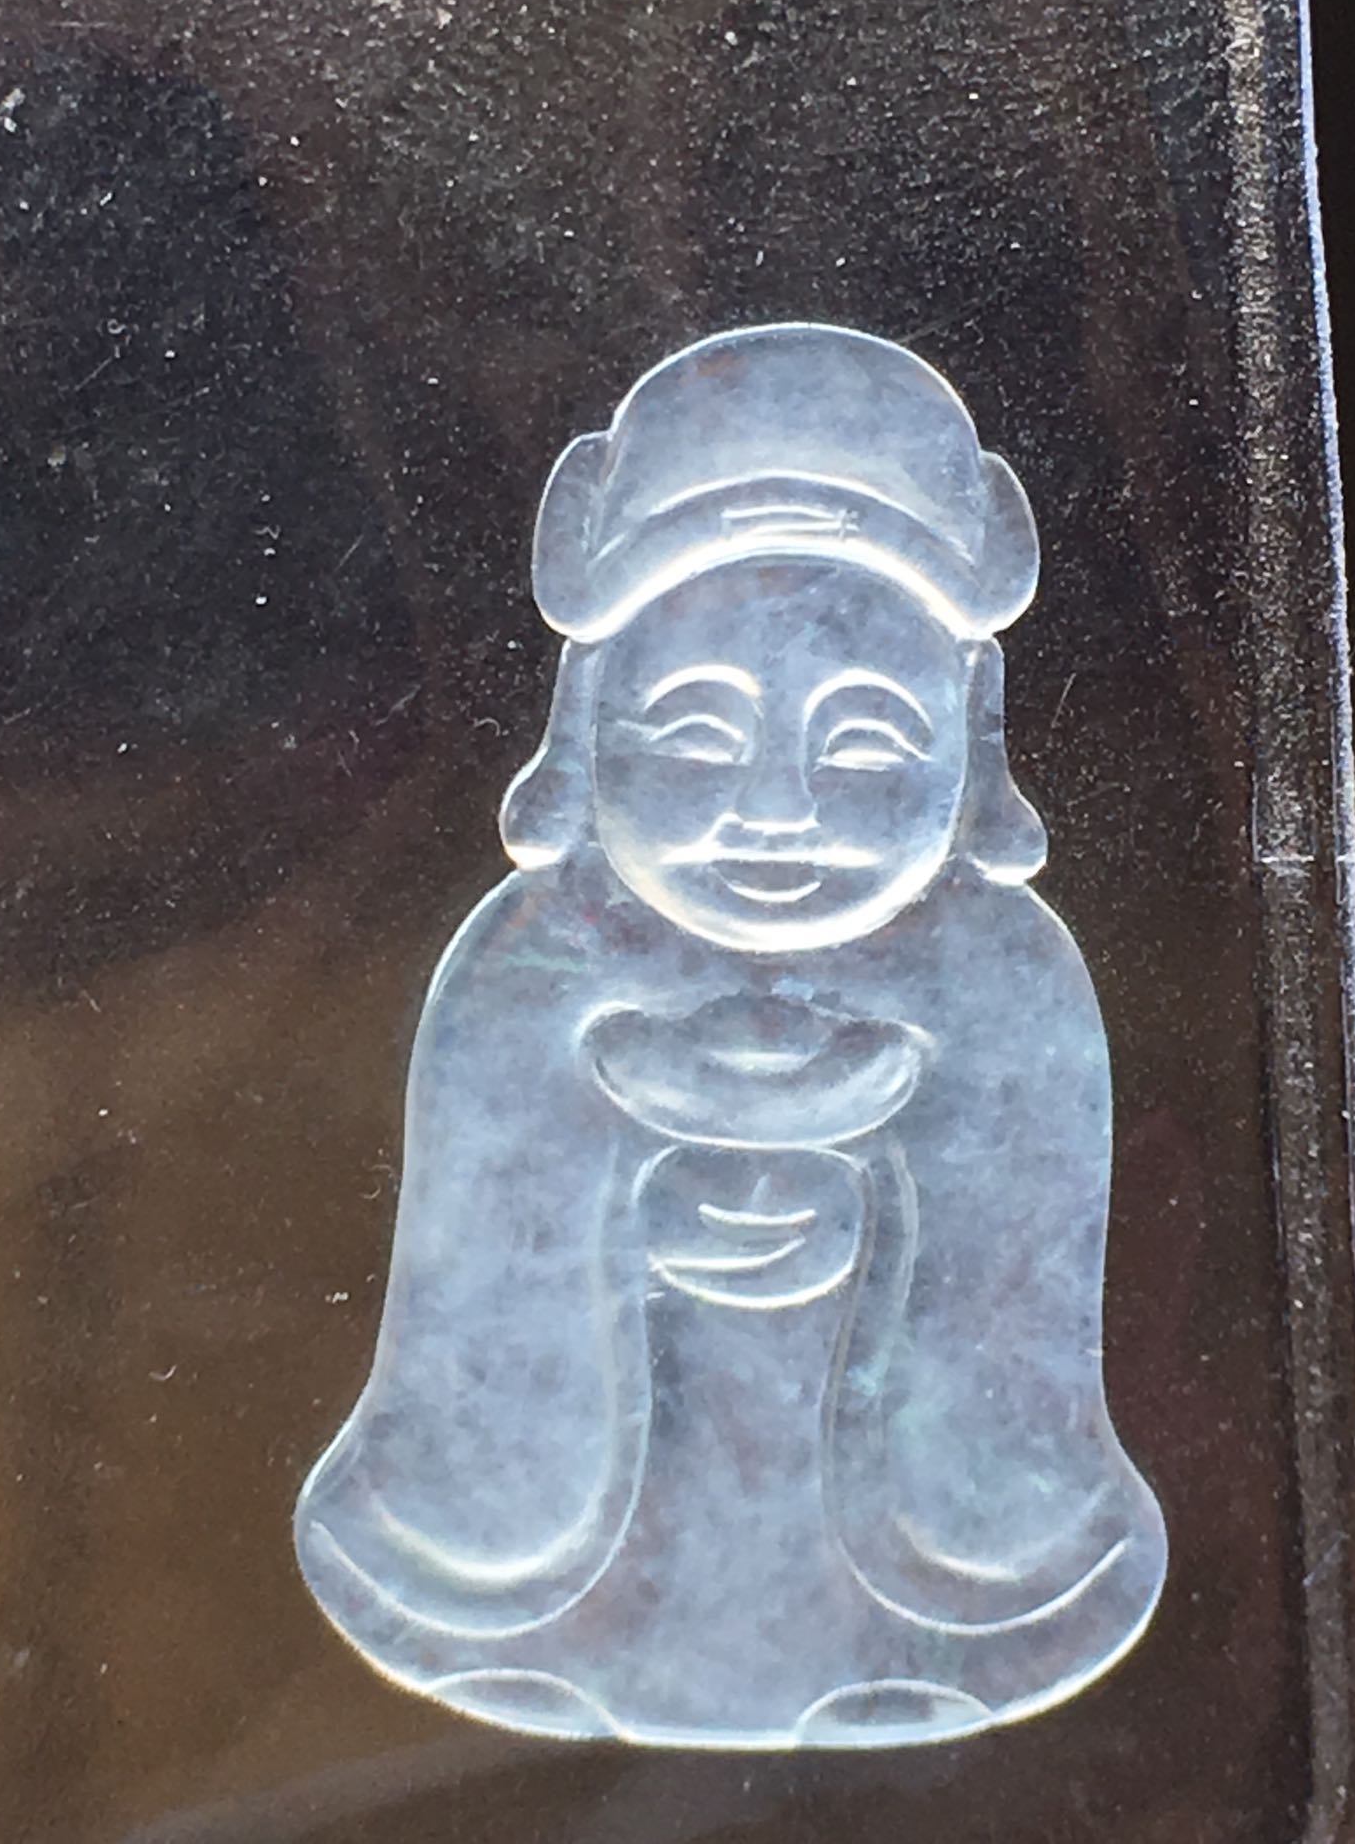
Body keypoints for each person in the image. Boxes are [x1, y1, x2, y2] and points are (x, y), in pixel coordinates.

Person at [295, 324, 1165, 1748]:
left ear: (971, 747)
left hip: (907, 1572)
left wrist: (883, 1212)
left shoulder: (1006, 979)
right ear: (587, 731)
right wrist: (615, 1213)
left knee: (987, 1597)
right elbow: (484, 1297)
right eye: (695, 735)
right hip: (565, 1566)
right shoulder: (529, 968)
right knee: (488, 1591)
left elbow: (1015, 1303)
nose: (775, 812)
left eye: (866, 743)